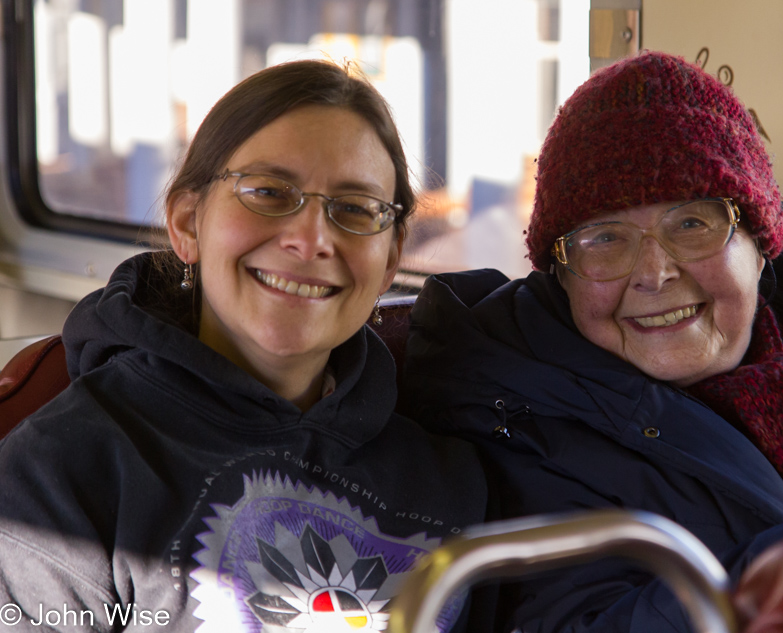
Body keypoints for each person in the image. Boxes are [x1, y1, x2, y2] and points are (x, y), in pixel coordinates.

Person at [401, 51, 783, 632]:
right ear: (560, 274)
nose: (653, 272)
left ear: (761, 242)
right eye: (605, 238)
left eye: (692, 224)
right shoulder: (514, 419)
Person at [0, 60, 485, 632]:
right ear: (187, 223)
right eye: (268, 193)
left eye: (355, 209)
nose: (311, 240)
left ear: (391, 261)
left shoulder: (451, 475)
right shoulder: (61, 474)